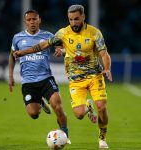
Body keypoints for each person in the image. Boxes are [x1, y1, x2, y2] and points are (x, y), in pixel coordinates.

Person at [13, 5, 112, 149]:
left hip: (95, 76)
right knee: (78, 114)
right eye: (71, 19)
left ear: (83, 17)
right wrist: (22, 52)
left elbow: (104, 53)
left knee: (102, 107)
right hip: (76, 80)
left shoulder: (94, 33)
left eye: (76, 19)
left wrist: (107, 68)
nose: (73, 22)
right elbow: (43, 45)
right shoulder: (63, 33)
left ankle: (102, 138)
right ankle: (88, 106)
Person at [8, 10, 70, 142]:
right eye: (29, 20)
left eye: (34, 19)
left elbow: (60, 45)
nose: (32, 22)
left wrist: (60, 50)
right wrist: (10, 76)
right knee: (33, 114)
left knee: (57, 106)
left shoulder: (47, 35)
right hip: (28, 83)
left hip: (46, 79)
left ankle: (65, 134)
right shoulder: (17, 37)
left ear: (39, 20)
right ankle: (40, 103)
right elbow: (12, 56)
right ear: (25, 22)